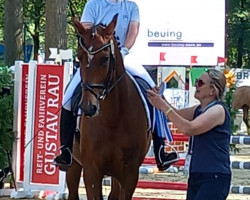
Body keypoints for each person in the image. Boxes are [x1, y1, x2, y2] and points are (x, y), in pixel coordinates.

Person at [53, 0, 178, 171]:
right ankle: (66, 150)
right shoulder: (93, 4)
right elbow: (86, 30)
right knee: (67, 99)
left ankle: (160, 149)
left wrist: (124, 50)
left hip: (123, 55)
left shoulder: (131, 6)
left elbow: (133, 31)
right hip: (97, 58)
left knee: (152, 91)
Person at [147, 69, 232, 200]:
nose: (196, 85)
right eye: (197, 81)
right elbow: (175, 114)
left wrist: (163, 106)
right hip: (199, 174)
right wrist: (161, 99)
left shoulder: (218, 110)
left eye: (201, 83)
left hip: (214, 176)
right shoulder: (199, 109)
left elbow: (189, 128)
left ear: (212, 91)